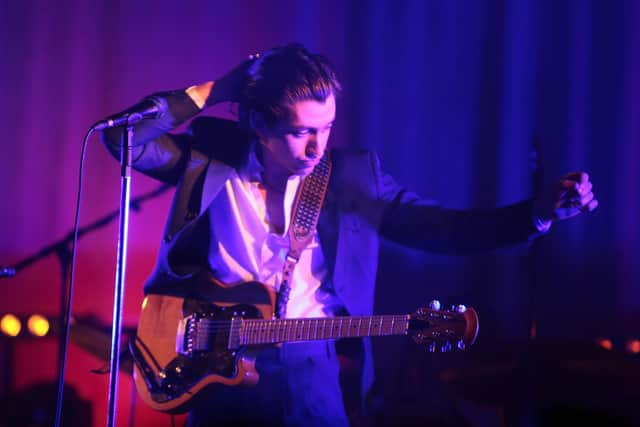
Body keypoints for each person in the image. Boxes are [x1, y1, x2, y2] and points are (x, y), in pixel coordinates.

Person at [101, 43, 597, 427]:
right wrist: (216, 90)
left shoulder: (353, 175)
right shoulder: (209, 158)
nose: (318, 146)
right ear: (257, 122)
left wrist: (536, 213)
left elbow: (442, 228)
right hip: (212, 365)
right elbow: (121, 136)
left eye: (328, 127)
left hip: (309, 371)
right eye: (301, 132)